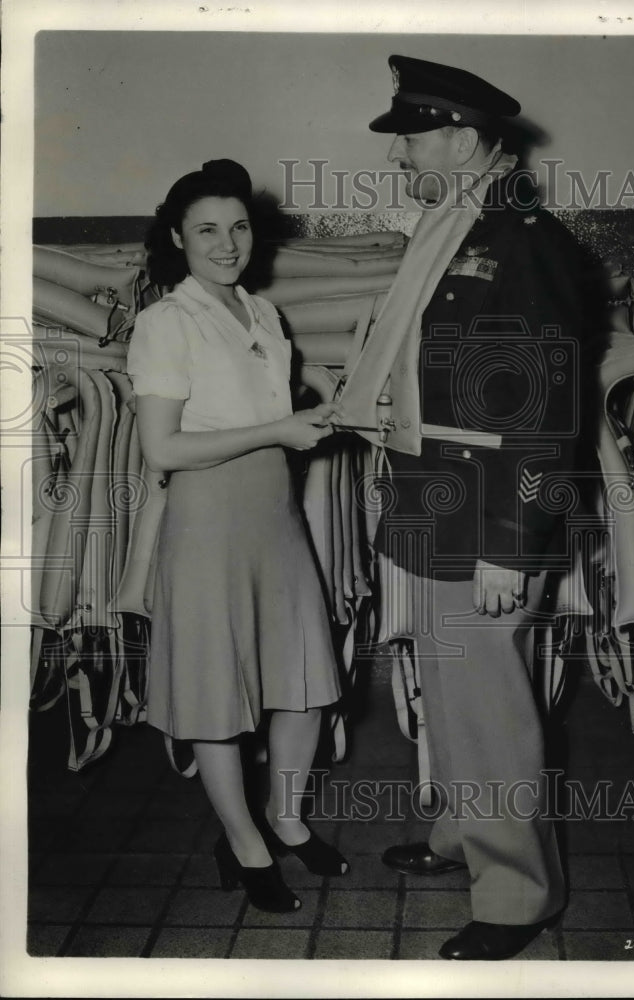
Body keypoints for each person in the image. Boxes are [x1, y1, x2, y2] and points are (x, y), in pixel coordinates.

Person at [341, 56, 593, 959]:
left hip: (488, 520)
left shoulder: (526, 244)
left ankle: (518, 894)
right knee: (448, 695)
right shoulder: (450, 228)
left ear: (460, 135)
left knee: (491, 709)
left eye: (411, 134)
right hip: (433, 507)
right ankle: (460, 837)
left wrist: (511, 545)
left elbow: (544, 413)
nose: (401, 151)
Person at [127, 159, 349, 914]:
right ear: (177, 238)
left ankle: (285, 819)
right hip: (208, 521)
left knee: (303, 685)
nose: (227, 243)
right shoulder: (165, 322)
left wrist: (316, 387)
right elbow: (165, 448)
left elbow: (253, 390)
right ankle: (244, 841)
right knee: (217, 695)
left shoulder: (260, 312)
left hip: (274, 517)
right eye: (207, 230)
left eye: (239, 226)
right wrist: (281, 427)